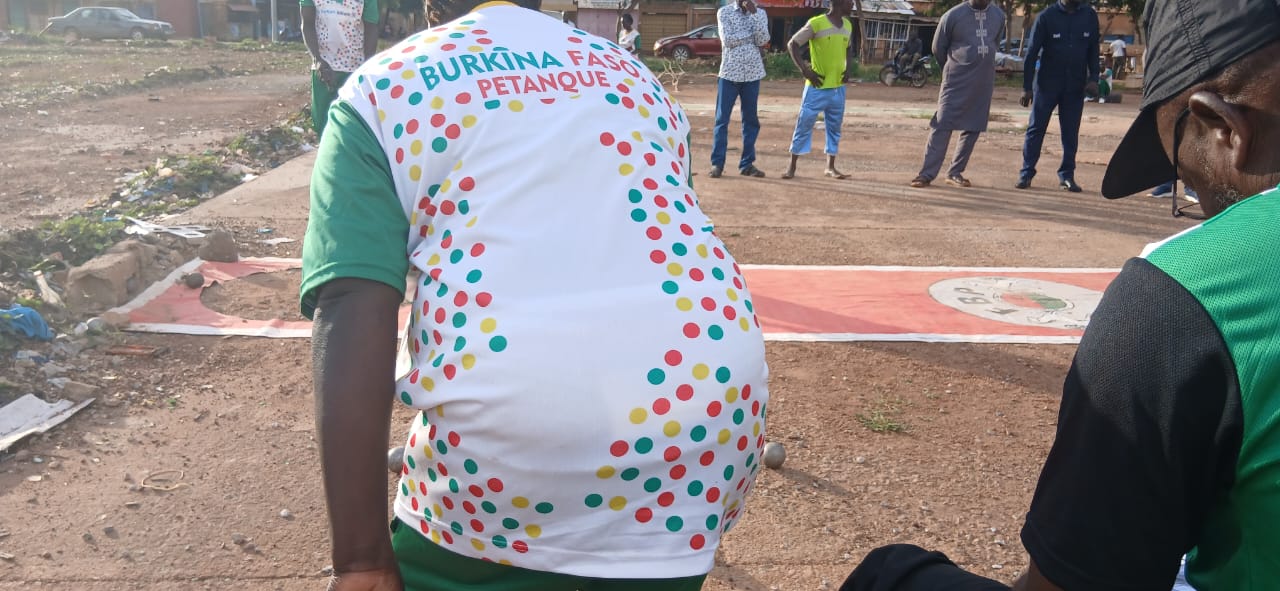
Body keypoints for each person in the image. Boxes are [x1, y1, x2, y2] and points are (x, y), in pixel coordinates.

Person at [300, 0, 771, 589]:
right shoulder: (633, 75)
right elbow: (651, 242)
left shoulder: (383, 89)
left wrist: (361, 560)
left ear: (430, 8)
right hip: (709, 417)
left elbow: (351, 302)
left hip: (513, 450)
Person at [841, 1, 1280, 590]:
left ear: (1223, 127)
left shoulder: (1189, 291)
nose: (1196, 201)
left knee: (891, 577)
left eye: (1183, 170)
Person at [908, 0, 1004, 189]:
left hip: (983, 81)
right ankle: (926, 174)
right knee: (942, 123)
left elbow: (995, 42)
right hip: (955, 80)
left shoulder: (999, 16)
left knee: (974, 126)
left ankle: (955, 172)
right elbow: (938, 48)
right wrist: (954, 68)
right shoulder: (952, 16)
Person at [1014, 0, 1099, 193]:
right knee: (1036, 129)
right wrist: (1026, 88)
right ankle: (1026, 173)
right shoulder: (1046, 17)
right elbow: (1031, 53)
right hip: (1047, 85)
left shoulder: (1089, 16)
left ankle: (1067, 176)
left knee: (1070, 132)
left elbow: (1093, 49)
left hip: (1075, 86)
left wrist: (1094, 78)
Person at [781, 0, 855, 180]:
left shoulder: (847, 25)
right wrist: (805, 70)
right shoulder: (816, 23)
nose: (853, 4)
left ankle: (830, 167)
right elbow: (793, 44)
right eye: (850, 1)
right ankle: (792, 167)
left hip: (838, 88)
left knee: (834, 128)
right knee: (804, 125)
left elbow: (848, 48)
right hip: (817, 87)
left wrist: (848, 68)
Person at [301, 0, 380, 137]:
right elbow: (307, 23)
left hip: (354, 71)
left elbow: (371, 27)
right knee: (323, 128)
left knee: (351, 129)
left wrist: (365, 68)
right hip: (323, 69)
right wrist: (318, 59)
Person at [709, 0, 770, 179]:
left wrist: (754, 14)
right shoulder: (724, 12)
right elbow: (728, 40)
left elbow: (763, 40)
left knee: (750, 120)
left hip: (752, 73)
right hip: (729, 73)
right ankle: (717, 164)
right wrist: (750, 38)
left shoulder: (760, 13)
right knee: (721, 120)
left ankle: (747, 164)